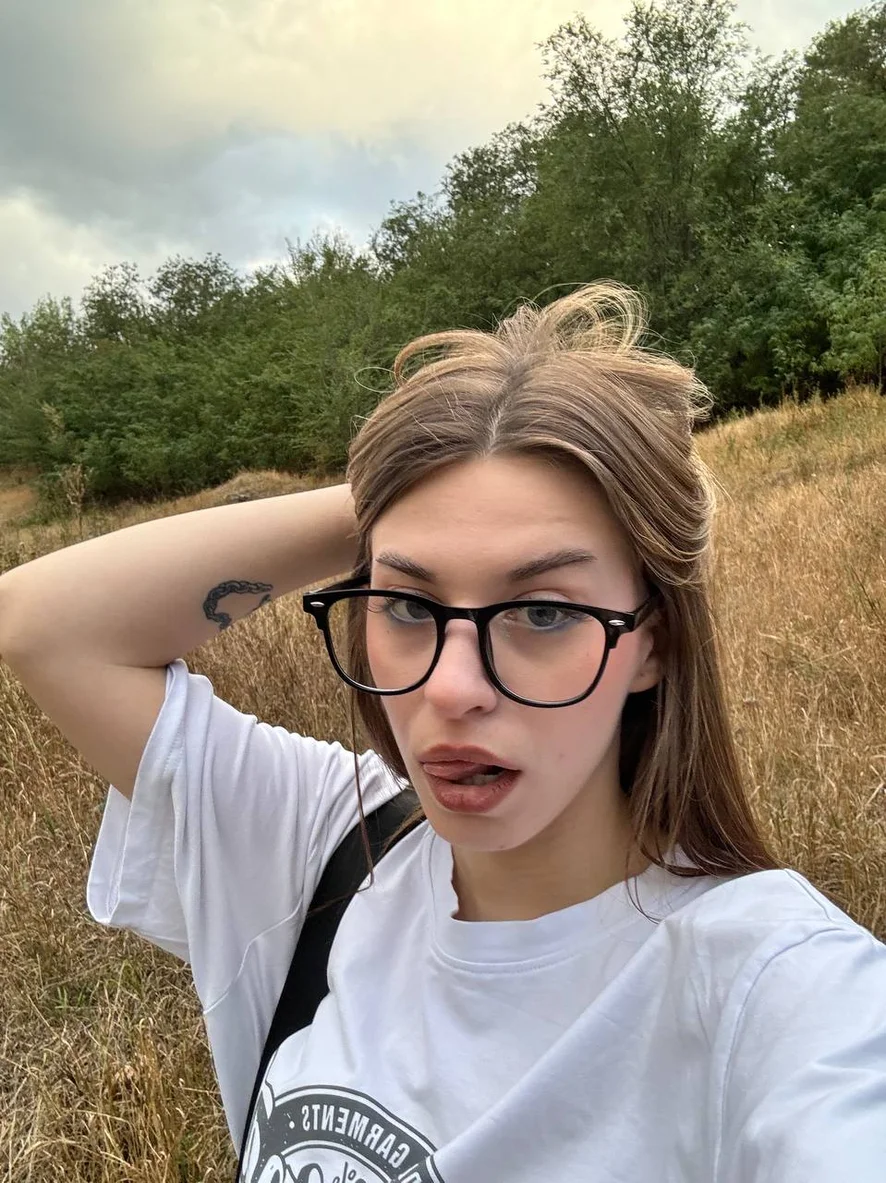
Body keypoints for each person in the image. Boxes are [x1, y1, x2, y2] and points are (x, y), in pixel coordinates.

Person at [0, 282, 884, 1182]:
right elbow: (44, 624)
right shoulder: (326, 845)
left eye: (543, 611)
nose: (452, 689)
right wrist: (410, 489)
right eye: (407, 605)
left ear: (651, 643)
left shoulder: (773, 991)